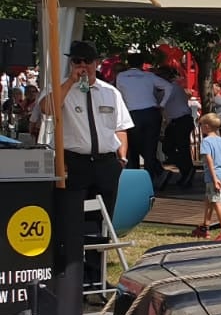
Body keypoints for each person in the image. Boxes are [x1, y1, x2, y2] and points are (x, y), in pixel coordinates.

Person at [41, 41, 133, 216]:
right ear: (71, 63)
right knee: (72, 214)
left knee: (104, 215)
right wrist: (71, 81)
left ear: (96, 63)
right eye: (77, 61)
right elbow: (47, 108)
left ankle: (100, 234)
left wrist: (122, 158)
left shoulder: (111, 92)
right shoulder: (59, 88)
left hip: (106, 163)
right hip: (74, 162)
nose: (82, 65)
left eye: (88, 61)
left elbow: (121, 127)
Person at [115, 51, 171, 187]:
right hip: (151, 113)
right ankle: (150, 181)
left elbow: (118, 95)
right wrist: (162, 105)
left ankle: (134, 182)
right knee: (150, 149)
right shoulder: (149, 76)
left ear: (128, 64)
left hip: (131, 114)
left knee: (132, 149)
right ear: (142, 64)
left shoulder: (121, 76)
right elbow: (169, 87)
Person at [193, 113, 221, 241]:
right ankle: (205, 227)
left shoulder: (206, 141)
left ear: (206, 126)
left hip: (213, 177)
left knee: (216, 203)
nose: (200, 127)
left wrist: (215, 179)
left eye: (200, 125)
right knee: (209, 201)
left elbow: (209, 160)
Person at [155, 67, 196, 189]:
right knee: (175, 147)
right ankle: (186, 170)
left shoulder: (170, 88)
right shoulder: (174, 87)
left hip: (180, 120)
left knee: (176, 147)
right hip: (179, 120)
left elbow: (159, 100)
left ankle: (187, 169)